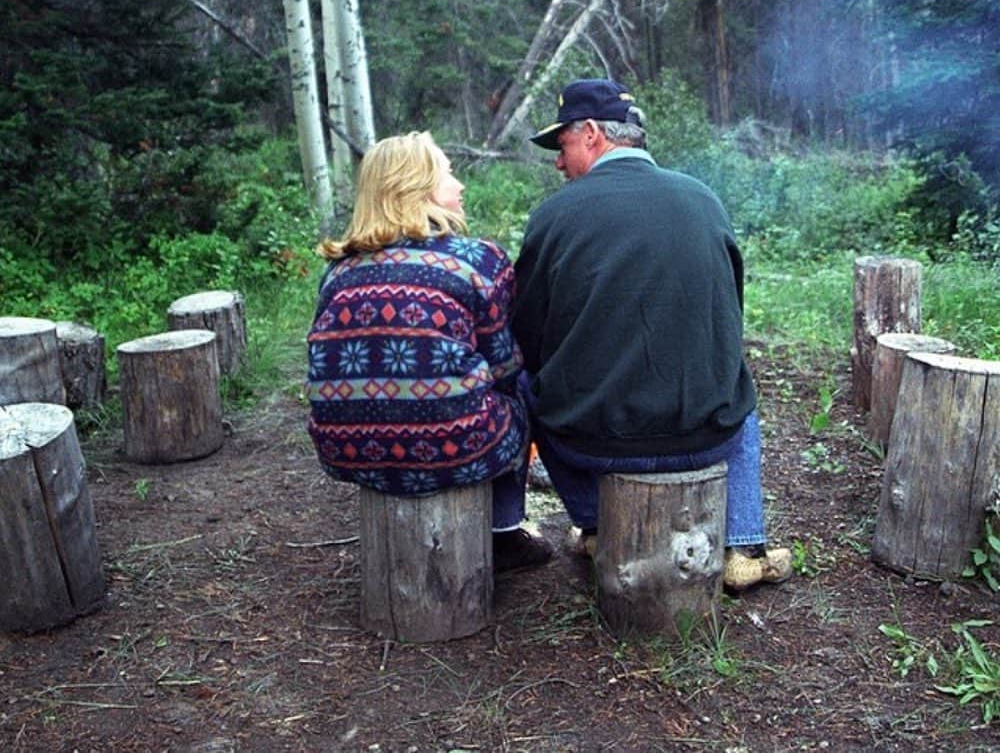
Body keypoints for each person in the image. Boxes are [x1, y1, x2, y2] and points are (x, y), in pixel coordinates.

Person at [511, 79, 790, 591]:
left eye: (563, 145)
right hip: (706, 437)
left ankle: (596, 526)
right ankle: (744, 545)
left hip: (590, 443)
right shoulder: (703, 200)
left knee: (523, 384)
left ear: (592, 134)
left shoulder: (553, 216)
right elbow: (729, 317)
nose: (557, 162)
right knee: (738, 380)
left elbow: (525, 336)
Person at [305, 131, 552, 574]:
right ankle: (504, 533)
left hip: (344, 448)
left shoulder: (336, 272)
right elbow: (505, 367)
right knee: (522, 391)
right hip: (452, 445)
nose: (460, 185)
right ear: (415, 186)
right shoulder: (480, 261)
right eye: (449, 173)